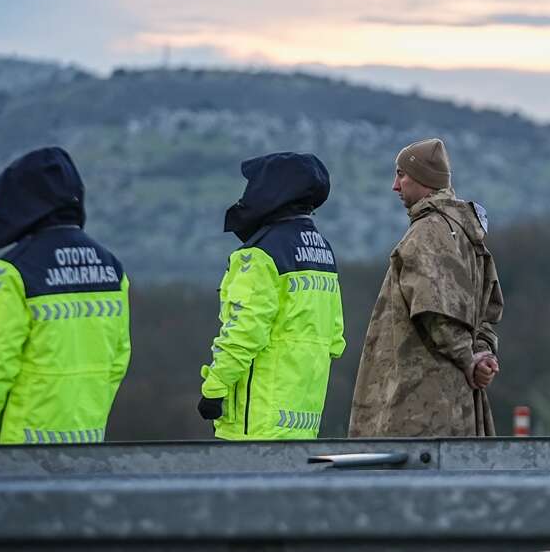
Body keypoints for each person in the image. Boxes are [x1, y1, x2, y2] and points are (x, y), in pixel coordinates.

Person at [0, 147, 131, 445]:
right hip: (89, 445)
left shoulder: (11, 271)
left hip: (18, 457)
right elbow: (118, 361)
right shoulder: (112, 267)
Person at [349, 138, 503, 437]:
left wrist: (469, 358)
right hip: (457, 405)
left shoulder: (428, 232)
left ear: (423, 179)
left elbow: (436, 311)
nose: (396, 185)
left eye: (402, 174)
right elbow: (489, 311)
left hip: (418, 405)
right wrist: (482, 354)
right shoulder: (467, 235)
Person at [198, 152, 345, 440]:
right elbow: (336, 338)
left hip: (256, 419)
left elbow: (243, 332)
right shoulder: (322, 251)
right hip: (304, 416)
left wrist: (214, 388)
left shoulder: (260, 254)